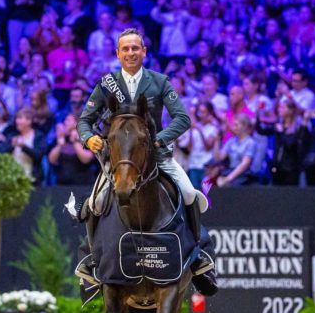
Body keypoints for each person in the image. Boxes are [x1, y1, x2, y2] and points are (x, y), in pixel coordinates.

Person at [76, 28, 217, 296]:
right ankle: (92, 260)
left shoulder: (159, 81)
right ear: (118, 54)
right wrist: (88, 139)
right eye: (125, 49)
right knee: (94, 203)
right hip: (119, 162)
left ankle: (198, 257)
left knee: (189, 194)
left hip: (156, 158)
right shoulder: (107, 83)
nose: (130, 53)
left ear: (144, 52)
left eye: (135, 48)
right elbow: (84, 120)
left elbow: (182, 118)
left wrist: (159, 140)